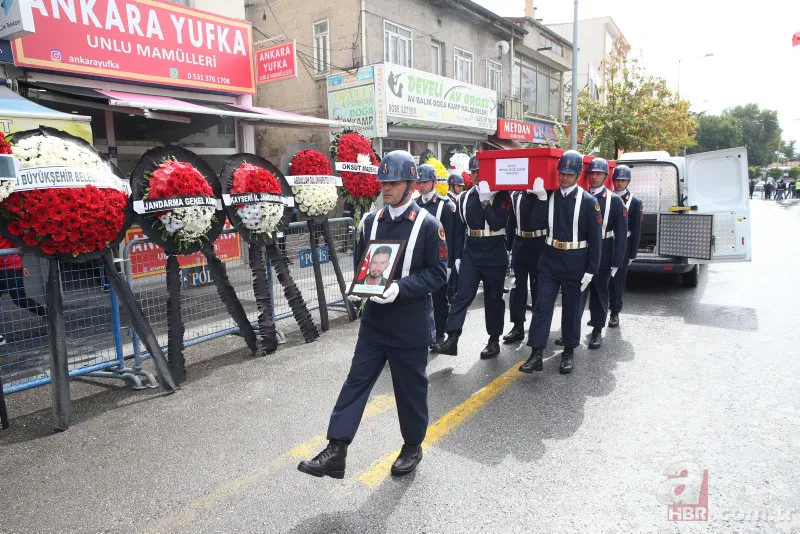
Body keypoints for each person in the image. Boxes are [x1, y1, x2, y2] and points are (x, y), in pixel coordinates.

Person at [297, 150, 447, 479]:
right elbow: (361, 264)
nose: (386, 188)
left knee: (410, 391)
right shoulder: (370, 221)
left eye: (393, 183)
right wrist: (358, 288)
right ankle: (336, 448)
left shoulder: (428, 225)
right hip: (375, 323)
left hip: (410, 324)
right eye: (383, 183)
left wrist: (401, 288)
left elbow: (438, 274)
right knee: (356, 382)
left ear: (410, 185)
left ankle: (412, 445)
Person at [519, 150, 602, 375]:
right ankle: (536, 353)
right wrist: (539, 199)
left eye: (570, 174)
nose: (564, 177)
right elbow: (534, 224)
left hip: (576, 260)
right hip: (550, 259)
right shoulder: (550, 196)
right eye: (562, 173)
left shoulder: (589, 202)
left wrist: (591, 270)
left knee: (572, 309)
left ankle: (568, 351)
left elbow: (596, 239)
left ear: (578, 175)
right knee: (542, 306)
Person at [434, 154, 512, 359]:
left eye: (480, 171)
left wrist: (485, 202)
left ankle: (494, 339)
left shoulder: (502, 195)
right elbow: (459, 230)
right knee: (461, 296)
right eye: (474, 171)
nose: (477, 175)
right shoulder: (464, 198)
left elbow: (497, 223)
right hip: (471, 252)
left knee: (493, 299)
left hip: (494, 250)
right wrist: (457, 257)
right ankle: (452, 338)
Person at [555, 158, 626, 349]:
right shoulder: (581, 196)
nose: (594, 177)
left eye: (599, 174)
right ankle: (570, 332)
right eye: (591, 173)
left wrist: (617, 262)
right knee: (576, 295)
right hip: (582, 251)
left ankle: (597, 329)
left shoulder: (614, 200)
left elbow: (621, 234)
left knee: (599, 292)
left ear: (606, 176)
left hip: (605, 249)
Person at [417, 164, 462, 347]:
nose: (421, 185)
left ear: (434, 182)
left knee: (438, 298)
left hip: (438, 260)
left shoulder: (446, 205)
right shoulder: (415, 204)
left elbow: (451, 236)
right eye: (419, 182)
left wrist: (449, 263)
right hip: (419, 259)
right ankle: (422, 332)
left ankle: (439, 334)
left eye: (425, 181)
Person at [502, 179, 549, 344]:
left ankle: (538, 326)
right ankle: (518, 326)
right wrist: (509, 248)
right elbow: (511, 222)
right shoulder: (516, 194)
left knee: (538, 288)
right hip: (520, 242)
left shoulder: (543, 193)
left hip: (539, 243)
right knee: (518, 287)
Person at [607, 165, 642, 328]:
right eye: (617, 180)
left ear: (628, 181)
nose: (619, 183)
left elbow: (636, 229)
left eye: (623, 180)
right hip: (607, 242)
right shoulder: (607, 196)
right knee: (603, 280)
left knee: (617, 281)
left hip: (623, 245)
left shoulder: (635, 202)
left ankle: (615, 312)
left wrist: (632, 253)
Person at [0, 237, 48, 345]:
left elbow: (15, 244)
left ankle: (47, 315)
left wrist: (20, 266)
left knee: (19, 298)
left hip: (10, 267)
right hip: (10, 265)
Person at [445, 172, 466, 301]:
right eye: (458, 186)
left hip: (457, 238)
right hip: (450, 239)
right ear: (451, 186)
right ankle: (451, 293)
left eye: (461, 186)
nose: (461, 188)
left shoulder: (457, 200)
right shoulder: (449, 202)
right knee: (451, 267)